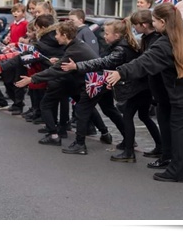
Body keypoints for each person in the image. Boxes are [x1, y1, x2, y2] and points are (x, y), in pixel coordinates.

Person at [107, 3, 183, 183]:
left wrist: (121, 72)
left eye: (154, 21)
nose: (153, 24)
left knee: (180, 133)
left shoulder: (165, 43)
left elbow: (144, 62)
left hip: (181, 97)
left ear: (163, 22)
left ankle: (179, 171)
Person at [61, 18, 160, 162]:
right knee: (130, 113)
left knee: (90, 109)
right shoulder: (125, 45)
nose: (104, 36)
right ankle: (150, 145)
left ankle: (124, 150)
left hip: (134, 87)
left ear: (117, 35)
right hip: (137, 86)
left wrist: (77, 66)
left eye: (107, 33)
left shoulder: (120, 49)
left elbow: (104, 62)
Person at [15, 21, 106, 148]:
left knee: (78, 110)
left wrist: (32, 79)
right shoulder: (75, 45)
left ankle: (66, 140)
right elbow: (64, 63)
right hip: (86, 81)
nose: (55, 36)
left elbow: (55, 70)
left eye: (57, 34)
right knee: (88, 109)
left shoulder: (74, 48)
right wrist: (59, 61)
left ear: (64, 35)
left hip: (92, 82)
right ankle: (104, 133)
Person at [130, 9, 170, 168]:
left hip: (161, 89)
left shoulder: (158, 40)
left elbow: (147, 63)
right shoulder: (149, 39)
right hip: (155, 88)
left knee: (165, 123)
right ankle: (163, 151)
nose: (134, 28)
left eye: (136, 25)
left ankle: (166, 156)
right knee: (154, 118)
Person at [2, 3, 29, 114]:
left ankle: (18, 104)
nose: (15, 13)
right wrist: (7, 40)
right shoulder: (12, 24)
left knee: (18, 80)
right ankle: (15, 101)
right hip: (11, 53)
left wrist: (17, 43)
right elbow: (10, 36)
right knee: (7, 79)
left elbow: (27, 39)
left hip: (20, 54)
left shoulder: (26, 24)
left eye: (18, 11)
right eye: (14, 11)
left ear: (23, 13)